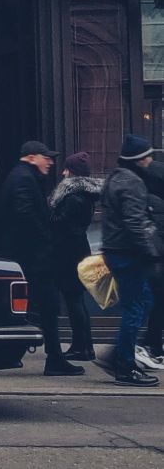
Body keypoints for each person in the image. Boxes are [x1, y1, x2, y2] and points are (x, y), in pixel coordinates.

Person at [0, 140, 83, 377]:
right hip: (33, 258)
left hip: (31, 257)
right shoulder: (24, 178)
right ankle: (53, 359)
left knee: (39, 308)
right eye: (46, 157)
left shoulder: (22, 176)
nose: (51, 162)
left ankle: (53, 358)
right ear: (32, 157)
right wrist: (45, 239)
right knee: (46, 307)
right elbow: (25, 215)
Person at [99, 134, 163, 386]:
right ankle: (124, 366)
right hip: (128, 254)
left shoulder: (115, 177)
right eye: (147, 156)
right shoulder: (133, 183)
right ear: (138, 160)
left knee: (142, 301)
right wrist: (151, 252)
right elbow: (134, 223)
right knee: (135, 308)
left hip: (117, 250)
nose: (150, 160)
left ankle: (118, 356)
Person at [47, 151, 101, 362]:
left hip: (69, 252)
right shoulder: (83, 195)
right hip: (77, 250)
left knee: (73, 300)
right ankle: (84, 346)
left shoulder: (73, 197)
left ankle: (82, 347)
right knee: (76, 300)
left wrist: (49, 208)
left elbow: (60, 223)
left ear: (74, 173)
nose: (62, 172)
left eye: (66, 169)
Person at [142, 157, 164, 368]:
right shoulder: (157, 201)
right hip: (157, 261)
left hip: (153, 261)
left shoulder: (148, 200)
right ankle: (154, 345)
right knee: (156, 305)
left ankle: (152, 344)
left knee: (154, 305)